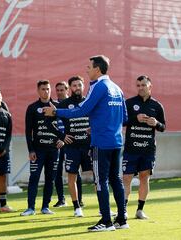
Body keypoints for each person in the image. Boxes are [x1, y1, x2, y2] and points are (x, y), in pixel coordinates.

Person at [44, 55, 129, 231]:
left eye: (89, 67)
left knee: (101, 181)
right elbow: (125, 118)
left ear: (97, 69)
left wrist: (56, 112)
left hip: (101, 143)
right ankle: (121, 219)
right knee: (116, 180)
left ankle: (106, 221)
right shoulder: (117, 88)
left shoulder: (98, 86)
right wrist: (99, 124)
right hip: (117, 141)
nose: (87, 70)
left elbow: (82, 110)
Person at [122, 75, 166, 220]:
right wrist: (135, 119)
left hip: (148, 150)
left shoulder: (157, 105)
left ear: (150, 86)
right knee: (127, 178)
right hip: (131, 149)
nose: (140, 88)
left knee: (144, 178)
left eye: (143, 85)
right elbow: (122, 121)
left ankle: (140, 210)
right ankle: (123, 210)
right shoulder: (129, 103)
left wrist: (156, 123)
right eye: (138, 85)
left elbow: (163, 127)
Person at [21, 80, 65, 216]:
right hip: (38, 150)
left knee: (50, 178)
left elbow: (65, 126)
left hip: (53, 150)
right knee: (34, 177)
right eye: (43, 89)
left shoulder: (57, 106)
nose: (46, 91)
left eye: (48, 89)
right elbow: (28, 132)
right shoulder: (32, 108)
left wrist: (62, 140)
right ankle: (30, 208)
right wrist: (31, 150)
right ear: (38, 91)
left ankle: (45, 206)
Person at [57, 76, 91, 217]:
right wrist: (62, 136)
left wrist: (93, 128)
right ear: (70, 88)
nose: (77, 87)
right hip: (72, 148)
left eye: (79, 85)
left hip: (89, 146)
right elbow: (49, 123)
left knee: (98, 176)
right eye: (74, 85)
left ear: (83, 86)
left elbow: (98, 118)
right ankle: (77, 208)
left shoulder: (89, 101)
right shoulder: (64, 104)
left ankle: (103, 207)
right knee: (72, 177)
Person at [53, 82, 83, 208]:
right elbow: (54, 125)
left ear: (67, 90)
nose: (59, 92)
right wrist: (60, 137)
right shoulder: (55, 105)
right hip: (60, 143)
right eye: (57, 90)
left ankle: (79, 200)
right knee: (58, 171)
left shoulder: (75, 104)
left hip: (73, 142)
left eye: (61, 90)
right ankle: (61, 199)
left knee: (76, 173)